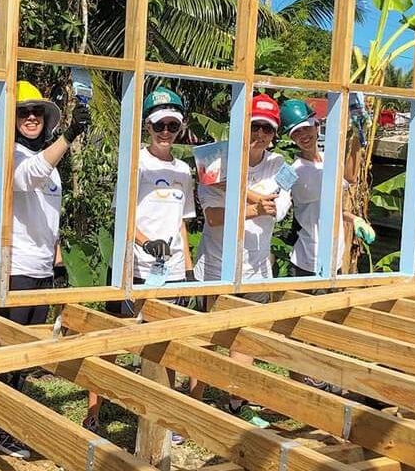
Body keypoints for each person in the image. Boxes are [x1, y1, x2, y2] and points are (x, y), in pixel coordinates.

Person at [0, 80, 90, 458]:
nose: (31, 117)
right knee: (4, 349)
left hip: (38, 268)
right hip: (9, 266)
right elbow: (26, 178)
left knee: (24, 352)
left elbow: (48, 218)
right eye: (23, 112)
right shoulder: (6, 155)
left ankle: (3, 417)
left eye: (37, 111)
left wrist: (57, 261)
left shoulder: (49, 164)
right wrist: (69, 136)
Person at [82, 86, 196, 436]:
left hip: (171, 271)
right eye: (159, 125)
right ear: (148, 126)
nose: (165, 132)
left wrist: (188, 270)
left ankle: (165, 417)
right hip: (135, 268)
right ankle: (93, 413)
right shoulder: (136, 164)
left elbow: (181, 222)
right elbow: (124, 218)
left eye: (172, 126)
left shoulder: (183, 171)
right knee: (114, 340)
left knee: (167, 344)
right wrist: (146, 243)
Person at [191, 93, 291, 428]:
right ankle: (193, 403)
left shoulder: (279, 165)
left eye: (267, 128)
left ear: (273, 133)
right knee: (207, 338)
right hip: (216, 266)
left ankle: (235, 401)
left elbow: (278, 208)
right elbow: (214, 217)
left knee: (246, 339)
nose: (260, 134)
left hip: (257, 270)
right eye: (255, 126)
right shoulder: (215, 160)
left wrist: (242, 196)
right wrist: (253, 205)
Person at [281, 98, 375, 392]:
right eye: (296, 132)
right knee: (302, 325)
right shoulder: (293, 169)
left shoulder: (329, 160)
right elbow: (278, 198)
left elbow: (349, 177)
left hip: (334, 258)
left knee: (328, 325)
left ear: (316, 125)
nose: (303, 135)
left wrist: (356, 137)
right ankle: (300, 384)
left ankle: (319, 378)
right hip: (308, 259)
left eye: (306, 128)